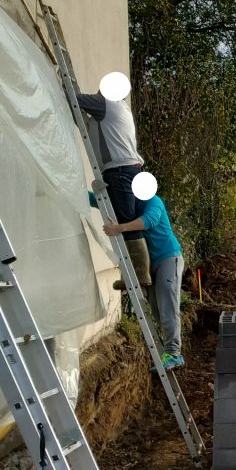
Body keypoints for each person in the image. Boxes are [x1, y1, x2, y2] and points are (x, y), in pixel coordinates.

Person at [78, 88, 152, 288]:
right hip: (126, 170)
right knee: (122, 220)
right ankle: (135, 275)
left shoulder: (106, 103)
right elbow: (83, 121)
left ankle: (139, 276)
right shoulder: (118, 110)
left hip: (120, 171)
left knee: (125, 222)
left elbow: (74, 99)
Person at [103, 194, 185, 370]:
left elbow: (149, 220)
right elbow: (98, 200)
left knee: (167, 305)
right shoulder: (127, 204)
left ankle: (173, 353)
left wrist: (119, 228)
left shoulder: (152, 201)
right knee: (157, 309)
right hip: (149, 264)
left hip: (168, 258)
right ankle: (171, 352)